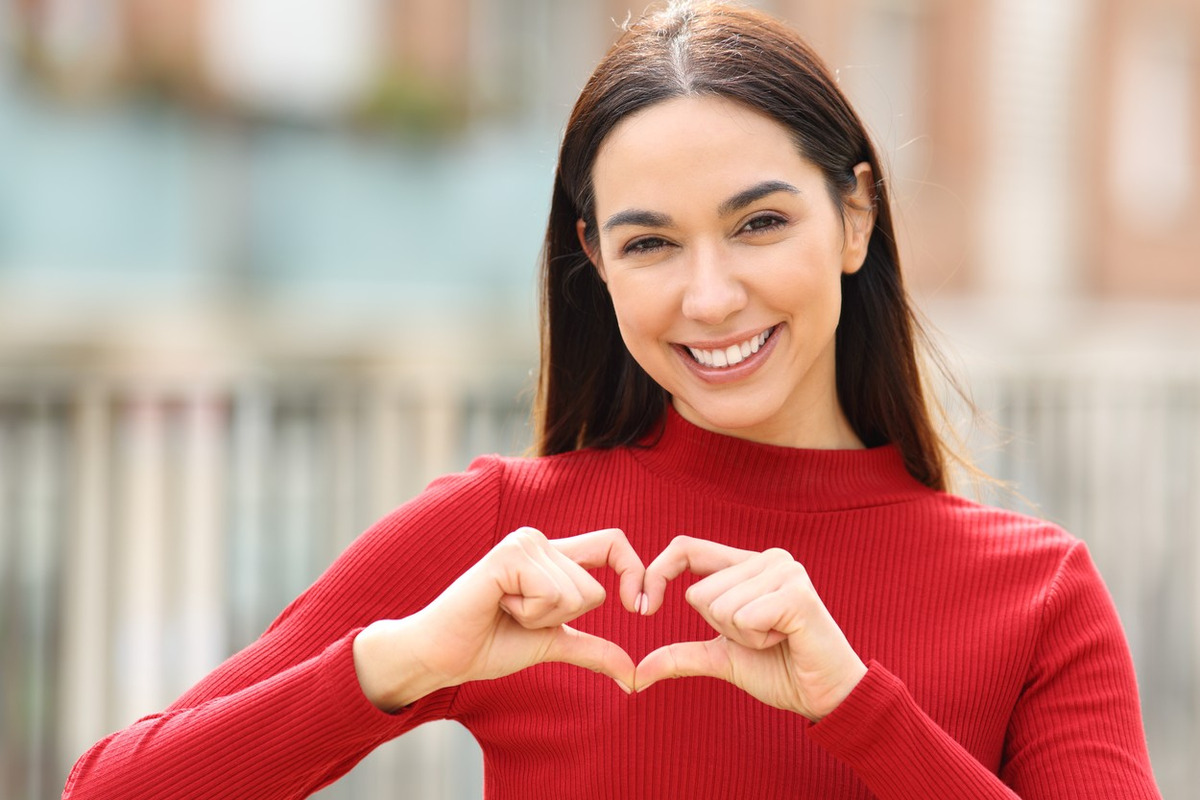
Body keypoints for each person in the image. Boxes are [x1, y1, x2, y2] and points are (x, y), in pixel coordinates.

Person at [63, 2, 1162, 798]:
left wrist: (858, 707)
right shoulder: (510, 542)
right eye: (650, 242)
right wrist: (400, 663)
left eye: (760, 222)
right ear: (594, 259)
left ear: (857, 219)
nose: (710, 293)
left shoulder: (1036, 592)